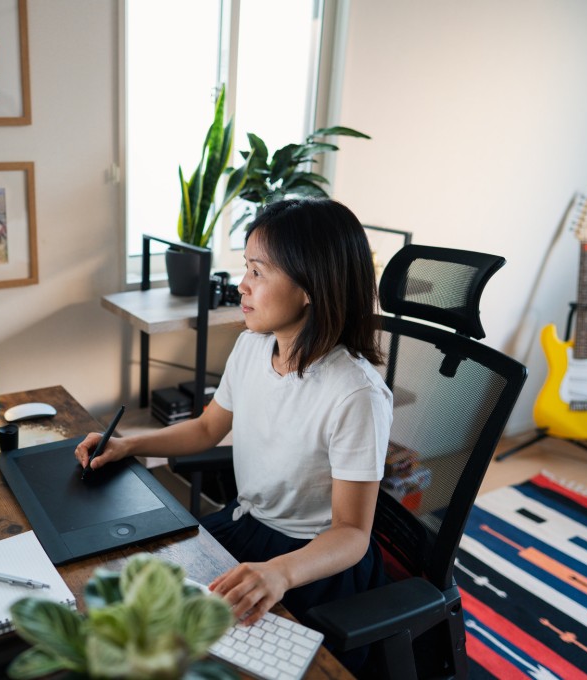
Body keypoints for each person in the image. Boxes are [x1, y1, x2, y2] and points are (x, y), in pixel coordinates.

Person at [75, 198, 392, 633]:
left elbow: (353, 533)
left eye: (257, 272)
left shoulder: (355, 393)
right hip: (246, 525)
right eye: (246, 267)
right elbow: (207, 427)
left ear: (309, 288)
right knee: (126, 596)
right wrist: (128, 444)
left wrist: (280, 572)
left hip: (310, 563)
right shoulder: (253, 347)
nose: (242, 285)